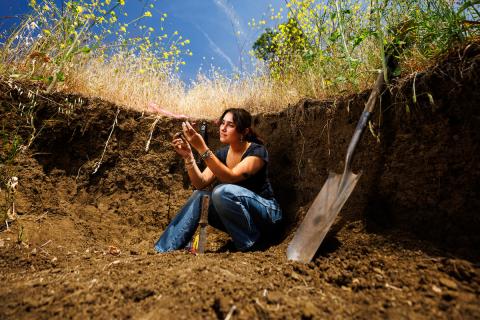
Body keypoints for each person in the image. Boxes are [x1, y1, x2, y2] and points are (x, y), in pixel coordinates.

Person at [154, 108, 282, 252]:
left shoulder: (257, 151)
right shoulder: (222, 154)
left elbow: (231, 177)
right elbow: (200, 183)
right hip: (243, 220)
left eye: (230, 125)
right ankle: (164, 249)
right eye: (222, 123)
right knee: (200, 196)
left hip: (267, 215)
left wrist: (202, 148)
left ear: (244, 132)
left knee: (221, 191)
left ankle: (251, 244)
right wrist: (188, 156)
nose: (223, 128)